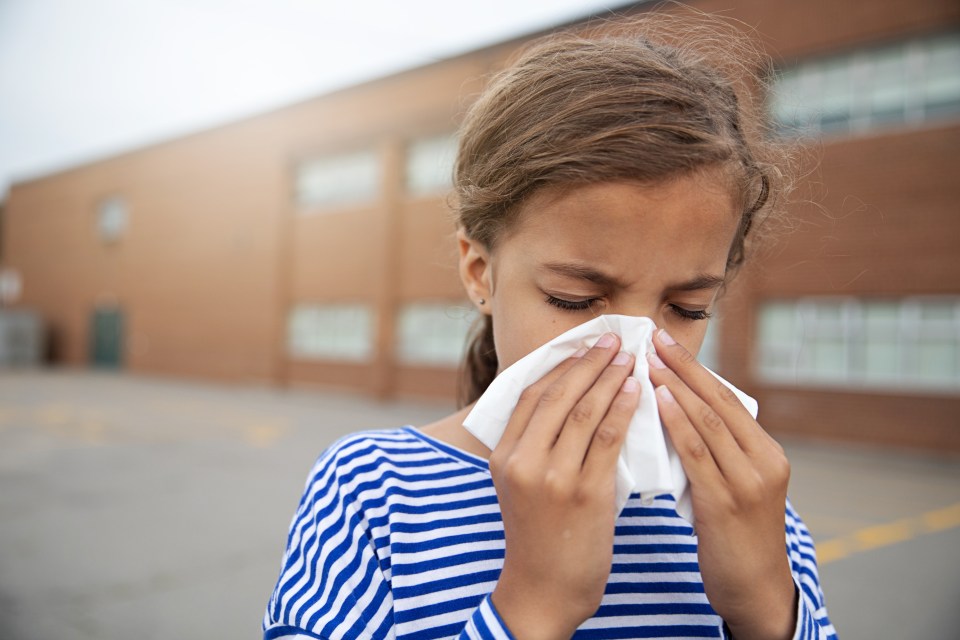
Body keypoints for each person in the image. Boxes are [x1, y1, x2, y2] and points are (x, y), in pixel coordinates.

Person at [263, 9, 837, 640]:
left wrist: (765, 605)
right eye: (574, 298)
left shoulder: (749, 500)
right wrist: (533, 606)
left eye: (687, 309)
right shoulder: (372, 491)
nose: (633, 352)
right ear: (481, 273)